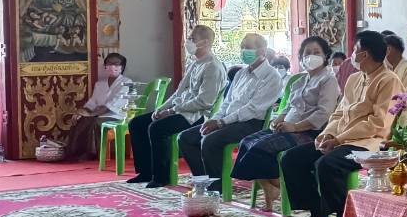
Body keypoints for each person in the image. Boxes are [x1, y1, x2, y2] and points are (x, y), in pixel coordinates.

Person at [284, 29, 401, 217]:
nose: (352, 55)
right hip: (340, 138)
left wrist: (338, 139)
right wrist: (328, 134)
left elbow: (378, 123)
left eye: (355, 50)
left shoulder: (389, 80)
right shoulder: (354, 79)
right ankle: (317, 213)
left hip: (369, 143)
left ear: (364, 54)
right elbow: (339, 112)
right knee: (292, 158)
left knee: (328, 164)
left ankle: (343, 216)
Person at [232, 35, 341, 206]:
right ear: (301, 57)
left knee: (261, 148)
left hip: (310, 132)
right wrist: (278, 120)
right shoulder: (300, 80)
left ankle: (277, 185)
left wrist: (295, 127)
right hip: (287, 127)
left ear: (325, 56)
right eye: (307, 53)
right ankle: (270, 186)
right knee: (246, 142)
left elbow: (323, 113)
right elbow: (288, 106)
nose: (311, 56)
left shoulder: (328, 80)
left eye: (316, 52)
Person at [127, 25, 226, 188]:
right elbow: (179, 92)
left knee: (157, 128)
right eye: (189, 38)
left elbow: (204, 102)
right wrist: (161, 108)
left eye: (193, 39)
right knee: (137, 123)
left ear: (206, 42)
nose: (188, 42)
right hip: (180, 109)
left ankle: (161, 176)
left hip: (196, 116)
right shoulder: (194, 63)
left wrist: (172, 111)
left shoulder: (213, 67)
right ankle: (145, 171)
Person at [178, 33, 282, 180]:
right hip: (228, 120)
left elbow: (252, 109)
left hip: (252, 123)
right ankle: (203, 180)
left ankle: (217, 186)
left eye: (248, 47)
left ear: (262, 51)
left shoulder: (271, 76)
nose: (244, 51)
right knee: (185, 138)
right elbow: (226, 102)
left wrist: (221, 122)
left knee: (209, 141)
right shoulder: (241, 73)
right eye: (242, 47)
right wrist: (214, 119)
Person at [61, 52, 133, 161]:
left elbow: (112, 104)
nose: (112, 66)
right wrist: (80, 112)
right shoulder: (100, 84)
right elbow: (92, 103)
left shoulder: (127, 82)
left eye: (116, 64)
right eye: (109, 63)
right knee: (79, 119)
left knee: (93, 121)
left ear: (122, 67)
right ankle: (74, 153)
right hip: (98, 114)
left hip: (117, 116)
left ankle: (91, 153)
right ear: (105, 66)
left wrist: (91, 114)